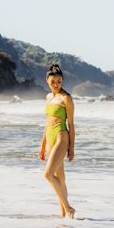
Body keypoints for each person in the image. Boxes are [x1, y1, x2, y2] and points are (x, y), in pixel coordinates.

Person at [39, 63, 75, 219]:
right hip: (50, 136)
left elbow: (71, 124)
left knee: (48, 174)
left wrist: (71, 148)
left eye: (59, 81)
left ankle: (68, 209)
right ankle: (63, 216)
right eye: (53, 81)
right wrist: (42, 146)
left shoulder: (66, 98)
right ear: (47, 80)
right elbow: (47, 123)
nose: (56, 84)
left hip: (61, 136)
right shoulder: (48, 97)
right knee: (60, 178)